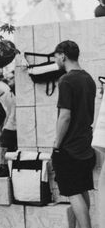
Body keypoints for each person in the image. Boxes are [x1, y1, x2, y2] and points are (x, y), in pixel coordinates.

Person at [52, 40, 96, 228]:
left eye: (55, 56)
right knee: (83, 189)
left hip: (69, 148)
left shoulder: (66, 80)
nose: (55, 60)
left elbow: (65, 116)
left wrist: (56, 145)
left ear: (62, 55)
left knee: (73, 193)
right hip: (85, 146)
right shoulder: (88, 79)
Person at [0, 70, 17, 177]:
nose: (10, 81)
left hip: (11, 128)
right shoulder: (10, 93)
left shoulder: (13, 94)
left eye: (12, 78)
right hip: (14, 128)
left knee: (5, 149)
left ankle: (4, 169)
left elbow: (8, 112)